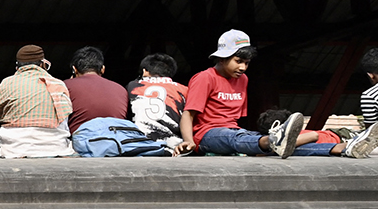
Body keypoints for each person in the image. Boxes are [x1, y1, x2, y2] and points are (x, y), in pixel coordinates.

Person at [184, 31, 353, 158]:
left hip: (236, 131)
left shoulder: (243, 79)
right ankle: (272, 140)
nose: (242, 67)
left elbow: (237, 121)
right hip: (207, 135)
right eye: (238, 61)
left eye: (246, 63)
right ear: (222, 58)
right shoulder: (205, 78)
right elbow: (188, 115)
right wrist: (190, 142)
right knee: (237, 139)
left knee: (280, 146)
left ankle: (340, 148)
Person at [0, 45, 75, 158]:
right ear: (43, 64)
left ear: (17, 66)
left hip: (14, 151)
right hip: (56, 149)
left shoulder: (7, 83)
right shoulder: (58, 84)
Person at [120, 54, 191, 155]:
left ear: (145, 71)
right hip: (174, 149)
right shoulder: (184, 90)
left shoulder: (132, 86)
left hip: (140, 146)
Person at [65, 47, 130, 134]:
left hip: (79, 143)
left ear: (74, 69)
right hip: (115, 142)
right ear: (103, 69)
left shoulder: (64, 86)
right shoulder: (121, 89)